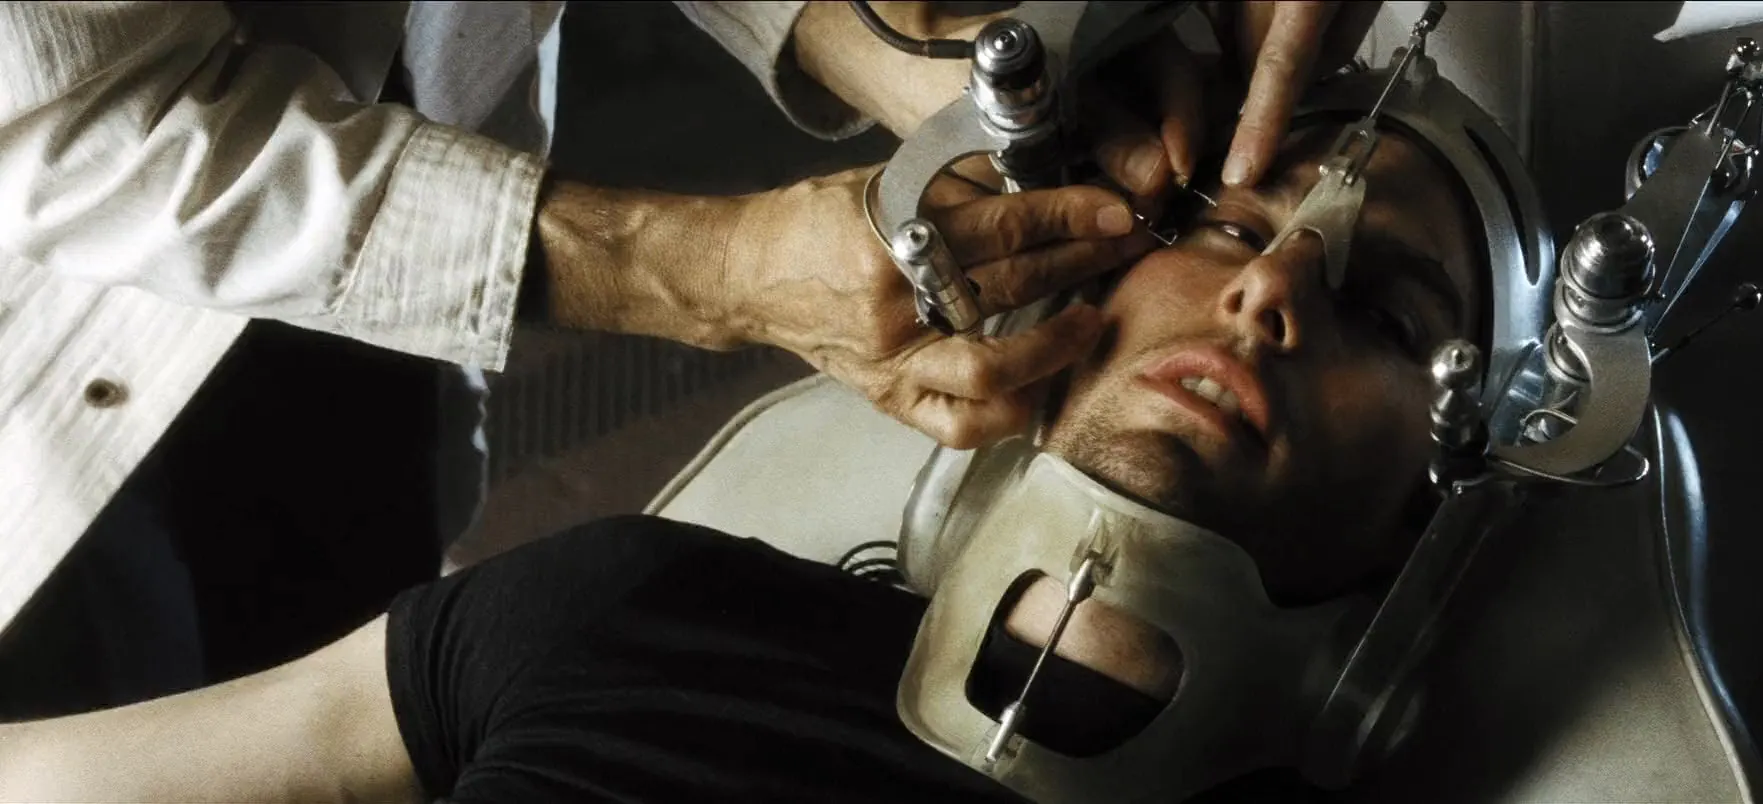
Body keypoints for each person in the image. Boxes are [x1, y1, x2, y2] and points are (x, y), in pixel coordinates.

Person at [0, 64, 1492, 798]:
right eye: (1223, 225)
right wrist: (699, 265)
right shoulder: (635, 608)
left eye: (1386, 314)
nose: (1270, 287)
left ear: (1433, 504)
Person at [0, 0, 1183, 716]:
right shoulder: (596, 617)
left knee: (357, 623)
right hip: (85, 353)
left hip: (399, 233)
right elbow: (94, 133)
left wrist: (908, 47)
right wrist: (716, 269)